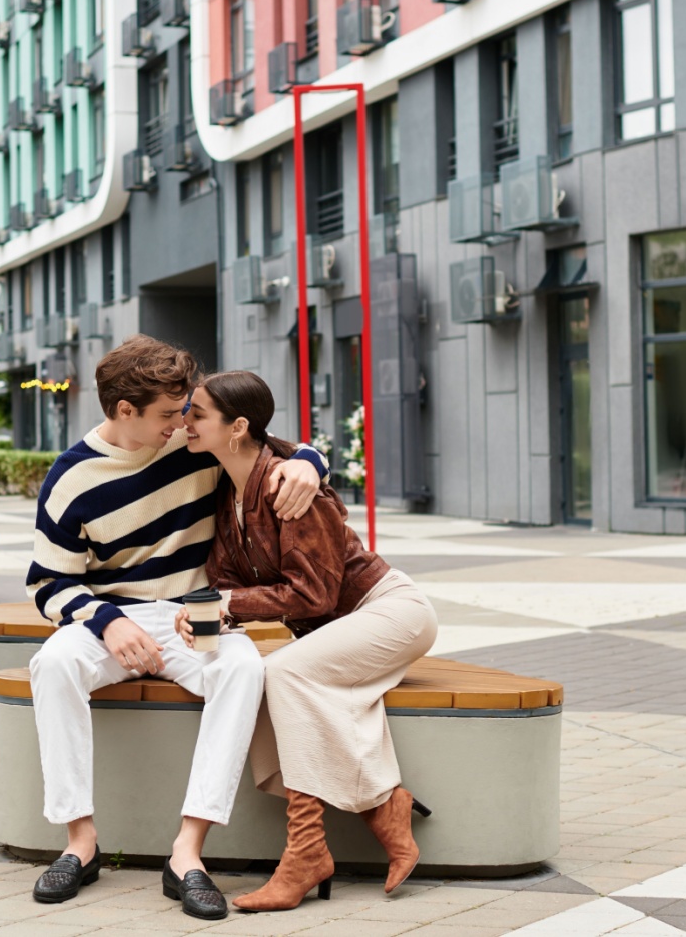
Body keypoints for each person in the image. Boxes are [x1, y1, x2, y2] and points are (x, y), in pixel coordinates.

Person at [26, 337, 329, 920]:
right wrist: (108, 623)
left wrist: (308, 465)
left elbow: (285, 451)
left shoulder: (195, 445)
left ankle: (187, 852)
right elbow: (48, 583)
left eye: (186, 409)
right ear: (125, 410)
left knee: (242, 668)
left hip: (193, 614)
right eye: (169, 413)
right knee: (54, 664)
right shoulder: (70, 478)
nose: (182, 422)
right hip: (108, 620)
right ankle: (79, 843)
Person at [178, 370, 439, 912]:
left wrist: (231, 603)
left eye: (197, 414)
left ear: (237, 427)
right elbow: (227, 583)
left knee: (284, 671)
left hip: (388, 610)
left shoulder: (289, 486)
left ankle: (307, 853)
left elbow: (314, 594)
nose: (186, 422)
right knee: (263, 679)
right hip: (335, 632)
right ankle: (382, 809)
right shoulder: (227, 493)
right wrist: (206, 614)